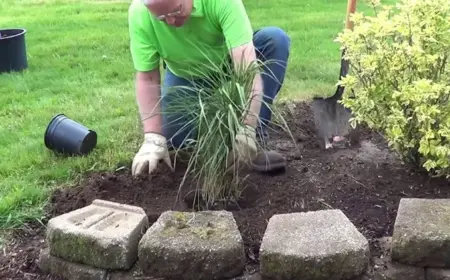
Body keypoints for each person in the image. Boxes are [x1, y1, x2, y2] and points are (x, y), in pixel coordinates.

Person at [128, 0, 291, 176]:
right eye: (161, 17)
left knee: (275, 40)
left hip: (229, 60)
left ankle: (254, 140)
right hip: (187, 74)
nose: (170, 22)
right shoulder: (140, 14)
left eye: (176, 11)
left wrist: (247, 127)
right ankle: (223, 139)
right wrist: (153, 137)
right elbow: (147, 78)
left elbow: (247, 68)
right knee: (176, 142)